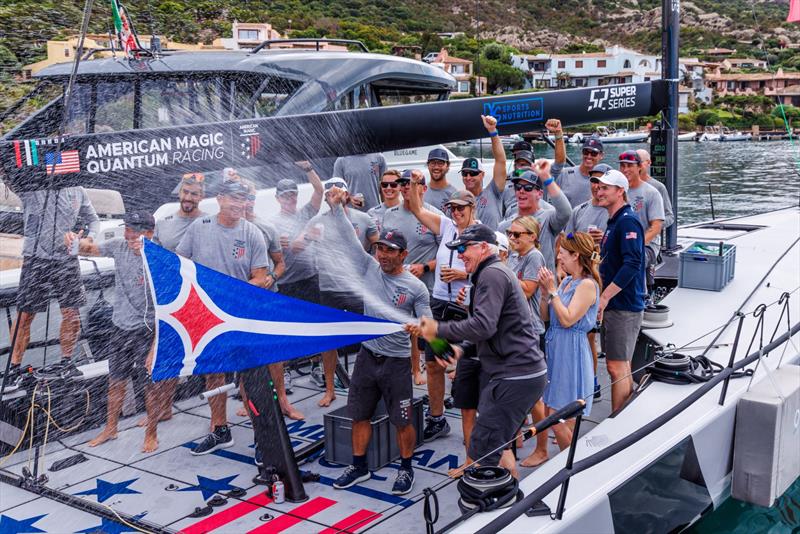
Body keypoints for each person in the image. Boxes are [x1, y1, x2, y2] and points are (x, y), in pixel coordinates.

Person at [408, 224, 546, 478]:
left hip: (515, 376)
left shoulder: (492, 275)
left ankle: (504, 496)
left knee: (485, 447)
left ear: (483, 247)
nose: (459, 255)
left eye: (463, 249)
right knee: (495, 445)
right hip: (515, 374)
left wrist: (438, 328)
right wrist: (461, 350)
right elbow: (492, 328)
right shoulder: (490, 273)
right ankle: (510, 493)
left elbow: (484, 325)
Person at [328, 187, 431, 495]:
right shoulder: (369, 266)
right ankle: (359, 466)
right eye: (380, 249)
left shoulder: (415, 288)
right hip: (367, 356)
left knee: (402, 420)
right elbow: (348, 238)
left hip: (396, 363)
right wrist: (336, 208)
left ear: (404, 255)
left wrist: (420, 328)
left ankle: (406, 468)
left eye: (390, 250)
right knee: (358, 414)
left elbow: (428, 323)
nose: (383, 255)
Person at [177, 180, 269, 454]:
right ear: (219, 198)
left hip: (241, 316)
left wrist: (231, 295)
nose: (238, 204)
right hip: (208, 317)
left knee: (250, 376)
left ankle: (263, 437)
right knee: (214, 375)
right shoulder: (199, 227)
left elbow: (261, 277)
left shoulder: (252, 232)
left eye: (242, 199)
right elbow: (180, 264)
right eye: (233, 198)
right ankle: (220, 430)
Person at [67, 211, 161, 452]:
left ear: (149, 233)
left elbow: (167, 306)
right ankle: (111, 428)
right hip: (119, 327)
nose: (128, 234)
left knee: (150, 385)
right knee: (115, 380)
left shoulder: (160, 258)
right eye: (127, 229)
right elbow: (90, 249)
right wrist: (75, 242)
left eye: (134, 231)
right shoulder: (119, 246)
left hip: (147, 330)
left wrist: (154, 347)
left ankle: (151, 433)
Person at [408, 185, 479, 455]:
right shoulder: (447, 225)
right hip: (438, 303)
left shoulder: (482, 233)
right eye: (452, 208)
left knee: (467, 366)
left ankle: (472, 427)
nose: (456, 212)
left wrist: (462, 275)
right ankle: (437, 419)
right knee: (433, 363)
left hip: (464, 306)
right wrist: (414, 185)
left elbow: (493, 269)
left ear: (472, 208)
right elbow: (416, 208)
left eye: (461, 208)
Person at [301, 177, 379, 407]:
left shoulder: (363, 218)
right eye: (330, 193)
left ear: (347, 194)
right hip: (329, 289)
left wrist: (374, 271)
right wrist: (304, 239)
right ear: (326, 197)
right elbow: (297, 247)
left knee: (371, 334)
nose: (334, 196)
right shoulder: (317, 221)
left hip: (357, 287)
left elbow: (378, 246)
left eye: (338, 192)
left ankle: (375, 383)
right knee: (329, 340)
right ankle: (330, 389)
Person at [8, 186, 100, 376]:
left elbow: (94, 220)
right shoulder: (32, 187)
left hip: (66, 259)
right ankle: (14, 368)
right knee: (25, 315)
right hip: (35, 258)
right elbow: (11, 178)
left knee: (71, 313)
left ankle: (66, 362)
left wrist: (87, 239)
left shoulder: (78, 190)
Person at [238, 178, 306, 420]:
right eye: (242, 198)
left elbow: (280, 263)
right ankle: (247, 402)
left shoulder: (265, 227)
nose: (246, 203)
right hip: (240, 303)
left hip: (267, 298)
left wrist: (272, 276)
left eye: (250, 198)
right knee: (245, 355)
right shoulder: (229, 227)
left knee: (275, 353)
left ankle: (284, 401)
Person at [147, 173, 208, 428]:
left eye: (194, 194)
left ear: (202, 196)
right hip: (171, 299)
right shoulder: (164, 222)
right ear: (180, 193)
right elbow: (153, 257)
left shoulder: (208, 222)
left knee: (209, 357)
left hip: (202, 300)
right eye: (185, 192)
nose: (188, 198)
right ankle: (164, 407)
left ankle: (218, 418)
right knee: (168, 353)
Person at [538, 231, 601, 451]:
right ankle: (569, 461)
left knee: (558, 417)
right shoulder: (566, 281)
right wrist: (545, 294)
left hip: (571, 352)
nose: (559, 257)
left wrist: (553, 291)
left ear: (576, 255)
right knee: (554, 413)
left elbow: (567, 319)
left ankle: (572, 461)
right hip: (556, 348)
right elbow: (546, 317)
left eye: (562, 253)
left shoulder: (587, 285)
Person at [591, 169, 646, 412]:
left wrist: (604, 297)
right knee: (619, 365)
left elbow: (633, 263)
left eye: (605, 188)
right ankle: (622, 416)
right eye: (598, 187)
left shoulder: (627, 221)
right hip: (615, 304)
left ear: (620, 191)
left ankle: (619, 421)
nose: (599, 191)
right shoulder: (614, 221)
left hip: (624, 305)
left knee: (617, 367)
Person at [504, 216, 550, 468]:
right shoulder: (513, 256)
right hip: (513, 330)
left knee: (534, 397)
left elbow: (527, 289)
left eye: (517, 234)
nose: (512, 238)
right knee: (514, 390)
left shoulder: (534, 257)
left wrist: (502, 269)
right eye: (510, 233)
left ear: (532, 236)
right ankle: (516, 438)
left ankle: (542, 448)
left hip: (530, 332)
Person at [498, 168, 571, 271]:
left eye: (528, 188)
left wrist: (548, 180)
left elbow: (566, 212)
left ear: (539, 194)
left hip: (544, 280)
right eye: (518, 187)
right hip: (515, 280)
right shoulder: (504, 226)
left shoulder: (547, 218)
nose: (521, 191)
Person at [618, 150, 664, 290]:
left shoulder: (652, 193)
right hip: (622, 241)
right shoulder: (618, 191)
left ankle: (641, 294)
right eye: (622, 166)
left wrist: (635, 244)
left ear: (639, 167)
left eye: (629, 166)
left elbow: (656, 227)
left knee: (632, 259)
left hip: (646, 245)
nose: (625, 169)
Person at [550, 128, 605, 208]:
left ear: (601, 155)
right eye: (586, 152)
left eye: (594, 153)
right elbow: (556, 166)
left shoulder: (606, 180)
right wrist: (558, 134)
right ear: (581, 152)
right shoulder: (565, 174)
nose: (589, 156)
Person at [565, 163, 612, 242]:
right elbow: (567, 239)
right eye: (594, 181)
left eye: (601, 181)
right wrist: (582, 238)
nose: (596, 186)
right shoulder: (578, 211)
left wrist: (606, 238)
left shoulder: (619, 212)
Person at [636, 149, 675, 230]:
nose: (637, 166)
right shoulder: (625, 185)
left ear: (649, 162)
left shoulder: (658, 187)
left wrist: (653, 225)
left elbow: (669, 216)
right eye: (634, 163)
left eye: (639, 162)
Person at [423, 148, 457, 213]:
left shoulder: (454, 194)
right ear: (428, 165)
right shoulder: (421, 192)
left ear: (447, 166)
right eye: (433, 163)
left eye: (440, 163)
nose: (436, 167)